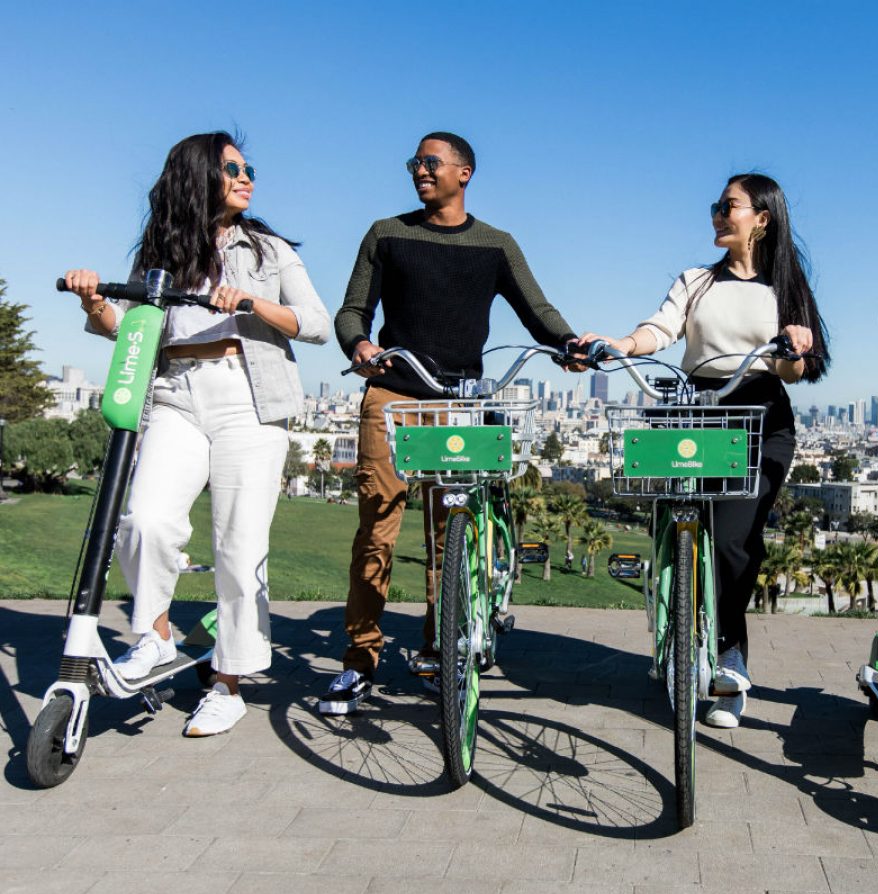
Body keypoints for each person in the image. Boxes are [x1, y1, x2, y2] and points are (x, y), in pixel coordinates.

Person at [62, 132, 331, 737]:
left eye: (248, 167)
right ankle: (156, 637)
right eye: (232, 168)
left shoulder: (267, 249)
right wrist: (92, 301)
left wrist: (253, 303)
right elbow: (129, 326)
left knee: (239, 546)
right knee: (144, 521)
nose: (246, 176)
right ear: (198, 176)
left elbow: (314, 324)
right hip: (175, 392)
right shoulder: (161, 250)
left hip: (249, 397)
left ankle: (228, 683)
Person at [322, 131, 578, 714]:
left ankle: (442, 652)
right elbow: (353, 309)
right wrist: (359, 344)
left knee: (449, 535)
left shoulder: (496, 245)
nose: (419, 170)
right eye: (414, 162)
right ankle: (359, 661)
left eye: (430, 162)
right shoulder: (387, 233)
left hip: (459, 401)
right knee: (377, 528)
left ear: (464, 173)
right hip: (393, 395)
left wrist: (568, 343)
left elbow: (537, 310)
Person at [577, 173, 830, 728]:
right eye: (716, 205)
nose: (718, 213)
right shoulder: (696, 281)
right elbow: (660, 328)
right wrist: (623, 345)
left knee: (735, 540)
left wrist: (794, 348)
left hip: (759, 415)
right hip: (696, 412)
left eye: (728, 205)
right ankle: (679, 625)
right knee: (683, 527)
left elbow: (796, 370)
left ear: (761, 218)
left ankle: (730, 656)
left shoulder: (786, 288)